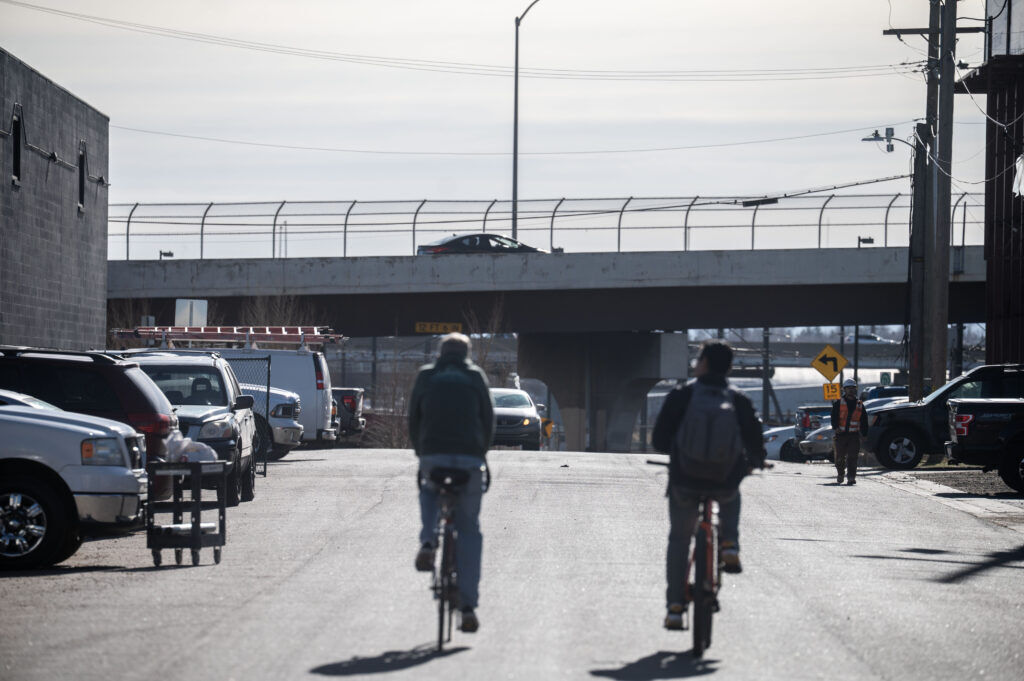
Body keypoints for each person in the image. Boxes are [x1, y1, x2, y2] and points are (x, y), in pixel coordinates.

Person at [651, 340, 764, 630]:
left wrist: (678, 452)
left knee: (679, 539)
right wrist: (754, 462)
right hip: (723, 480)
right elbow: (755, 441)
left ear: (702, 364)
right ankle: (729, 543)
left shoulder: (682, 396)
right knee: (731, 493)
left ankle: (675, 607)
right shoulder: (738, 399)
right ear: (728, 367)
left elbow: (660, 442)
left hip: (685, 480)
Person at [408, 332, 495, 633]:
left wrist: (422, 451)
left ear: (440, 353)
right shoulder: (475, 376)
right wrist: (480, 452)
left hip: (433, 454)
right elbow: (488, 418)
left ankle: (429, 541)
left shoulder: (426, 375)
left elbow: (413, 418)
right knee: (469, 529)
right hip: (470, 459)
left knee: (429, 488)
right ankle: (468, 605)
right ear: (467, 354)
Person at [831, 377, 868, 485]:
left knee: (853, 457)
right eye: (848, 388)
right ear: (844, 389)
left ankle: (851, 477)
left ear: (855, 389)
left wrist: (864, 434)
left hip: (854, 436)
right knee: (839, 458)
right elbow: (834, 417)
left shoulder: (860, 405)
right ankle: (841, 474)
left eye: (852, 388)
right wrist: (836, 427)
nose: (851, 390)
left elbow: (864, 421)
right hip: (841, 435)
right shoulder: (838, 403)